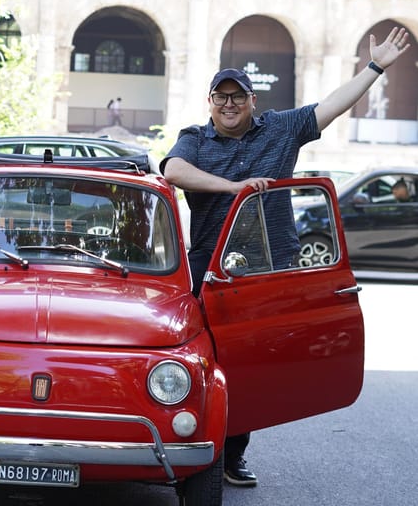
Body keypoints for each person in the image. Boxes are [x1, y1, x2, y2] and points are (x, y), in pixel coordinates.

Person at [161, 26, 411, 488]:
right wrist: (233, 188)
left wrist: (375, 68)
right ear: (210, 102)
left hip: (266, 273)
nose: (230, 105)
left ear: (252, 101)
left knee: (249, 366)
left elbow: (331, 106)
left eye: (239, 97)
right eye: (222, 98)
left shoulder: (280, 130)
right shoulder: (193, 139)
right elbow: (173, 171)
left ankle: (231, 456)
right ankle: (194, 451)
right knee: (198, 362)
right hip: (212, 269)